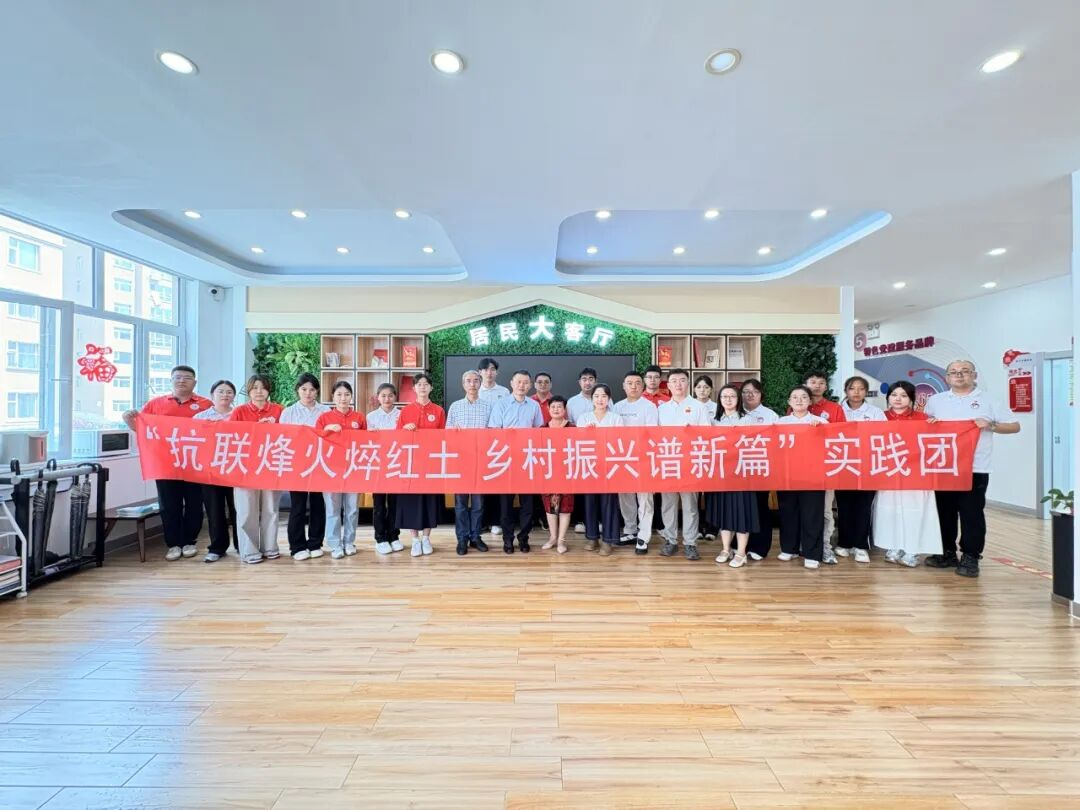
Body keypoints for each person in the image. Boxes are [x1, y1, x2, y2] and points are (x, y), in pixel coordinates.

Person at [924, 359, 1019, 577]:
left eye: (965, 371)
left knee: (971, 513)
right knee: (943, 512)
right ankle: (946, 552)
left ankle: (971, 556)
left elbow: (1014, 426)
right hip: (944, 466)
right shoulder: (936, 401)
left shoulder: (989, 400)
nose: (959, 375)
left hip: (975, 467)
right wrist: (929, 425)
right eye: (954, 372)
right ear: (947, 377)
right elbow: (924, 427)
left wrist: (990, 425)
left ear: (974, 375)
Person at [122, 364, 211, 561]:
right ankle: (173, 544)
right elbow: (145, 431)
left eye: (187, 378)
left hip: (195, 463)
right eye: (177, 377)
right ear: (171, 381)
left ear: (194, 382)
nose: (182, 381)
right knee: (169, 504)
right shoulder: (156, 405)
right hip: (165, 463)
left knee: (195, 504)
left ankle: (189, 541)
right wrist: (129, 421)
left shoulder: (206, 404)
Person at [873, 381, 942, 567]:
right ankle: (893, 545)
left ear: (911, 399)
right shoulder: (880, 417)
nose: (898, 399)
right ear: (888, 398)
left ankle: (913, 550)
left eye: (903, 395)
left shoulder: (923, 418)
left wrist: (935, 427)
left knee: (915, 510)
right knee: (890, 510)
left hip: (916, 473)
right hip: (889, 471)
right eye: (894, 395)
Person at [487, 369, 545, 553]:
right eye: (519, 382)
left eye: (526, 382)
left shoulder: (534, 406)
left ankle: (524, 538)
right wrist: (506, 435)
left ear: (530, 385)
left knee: (528, 505)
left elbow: (539, 432)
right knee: (506, 505)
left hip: (527, 460)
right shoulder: (501, 404)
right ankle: (507, 539)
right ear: (512, 383)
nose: (522, 385)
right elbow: (493, 431)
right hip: (506, 461)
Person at [229, 375, 284, 564]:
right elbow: (230, 437)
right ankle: (249, 550)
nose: (259, 392)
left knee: (271, 509)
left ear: (269, 390)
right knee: (246, 510)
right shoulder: (239, 411)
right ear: (249, 391)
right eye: (255, 388)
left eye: (263, 387)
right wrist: (255, 429)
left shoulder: (279, 410)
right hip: (245, 467)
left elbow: (288, 435)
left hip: (271, 465)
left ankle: (270, 547)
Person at [657, 368, 711, 560]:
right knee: (668, 504)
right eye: (674, 381)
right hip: (668, 462)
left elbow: (707, 434)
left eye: (682, 380)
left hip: (690, 463)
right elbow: (655, 436)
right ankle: (670, 540)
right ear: (668, 385)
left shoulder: (698, 406)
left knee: (690, 506)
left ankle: (690, 543)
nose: (678, 384)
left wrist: (693, 432)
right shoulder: (662, 408)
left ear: (688, 383)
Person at [835, 375, 886, 563]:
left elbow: (884, 436)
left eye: (861, 389)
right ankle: (844, 543)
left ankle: (861, 545)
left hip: (867, 466)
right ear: (845, 391)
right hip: (843, 464)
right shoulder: (837, 411)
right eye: (852, 388)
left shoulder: (875, 412)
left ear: (866, 392)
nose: (856, 392)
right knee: (844, 506)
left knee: (864, 506)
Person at [279, 373, 329, 561]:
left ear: (317, 391)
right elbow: (283, 438)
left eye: (312, 389)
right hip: (297, 465)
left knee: (318, 505)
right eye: (304, 389)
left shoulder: (325, 411)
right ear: (297, 390)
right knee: (298, 506)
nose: (308, 393)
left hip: (319, 463)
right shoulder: (288, 412)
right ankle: (297, 546)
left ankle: (315, 543)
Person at [777, 385, 826, 569]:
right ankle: (789, 548)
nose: (799, 400)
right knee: (788, 512)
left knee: (812, 514)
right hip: (787, 474)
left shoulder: (820, 422)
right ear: (789, 401)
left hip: (813, 476)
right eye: (795, 397)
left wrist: (820, 430)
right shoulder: (781, 423)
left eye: (804, 397)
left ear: (810, 401)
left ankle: (811, 553)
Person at [709, 384, 759, 568]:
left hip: (742, 473)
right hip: (722, 474)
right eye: (724, 396)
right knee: (724, 513)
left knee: (742, 512)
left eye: (732, 396)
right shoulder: (713, 421)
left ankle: (741, 552)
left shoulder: (748, 420)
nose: (728, 400)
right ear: (719, 400)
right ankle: (725, 549)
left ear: (738, 400)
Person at [396, 373, 445, 556]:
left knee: (429, 500)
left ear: (431, 387)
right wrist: (404, 430)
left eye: (426, 384)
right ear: (414, 388)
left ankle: (426, 538)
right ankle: (415, 539)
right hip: (411, 463)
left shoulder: (438, 411)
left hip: (431, 463)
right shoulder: (405, 411)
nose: (423, 387)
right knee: (412, 501)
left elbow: (443, 437)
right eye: (419, 384)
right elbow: (397, 437)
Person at [316, 381, 366, 559]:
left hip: (353, 469)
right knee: (332, 509)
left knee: (352, 509)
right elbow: (315, 440)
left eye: (346, 394)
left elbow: (366, 443)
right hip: (331, 470)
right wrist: (327, 429)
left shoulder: (359, 417)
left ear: (351, 396)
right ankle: (335, 544)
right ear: (333, 397)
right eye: (339, 394)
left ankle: (349, 542)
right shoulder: (324, 418)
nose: (343, 398)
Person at [446, 370, 493, 556]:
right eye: (468, 381)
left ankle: (475, 537)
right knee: (460, 504)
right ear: (463, 384)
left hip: (481, 461)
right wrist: (453, 432)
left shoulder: (488, 406)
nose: (472, 384)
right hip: (461, 461)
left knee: (479, 503)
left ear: (480, 383)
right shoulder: (455, 406)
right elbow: (447, 434)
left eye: (475, 381)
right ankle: (462, 538)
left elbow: (493, 432)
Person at [576, 384, 625, 556]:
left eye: (604, 396)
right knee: (590, 502)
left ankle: (608, 540)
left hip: (609, 465)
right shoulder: (584, 418)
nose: (600, 399)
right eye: (596, 396)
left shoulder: (615, 418)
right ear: (592, 399)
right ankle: (592, 537)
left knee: (608, 503)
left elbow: (620, 441)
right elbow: (577, 442)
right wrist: (587, 433)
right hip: (590, 464)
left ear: (609, 399)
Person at [803, 371, 846, 565]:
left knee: (826, 510)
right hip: (802, 468)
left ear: (826, 387)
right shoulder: (797, 406)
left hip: (826, 467)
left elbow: (843, 436)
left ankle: (826, 547)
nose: (817, 386)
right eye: (813, 382)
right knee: (806, 510)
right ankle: (807, 545)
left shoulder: (834, 409)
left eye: (821, 383)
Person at [613, 370, 658, 554]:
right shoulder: (617, 407)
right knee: (625, 496)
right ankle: (630, 530)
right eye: (629, 383)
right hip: (623, 458)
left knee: (645, 498)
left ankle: (643, 536)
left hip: (643, 458)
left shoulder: (649, 407)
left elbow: (652, 434)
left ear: (642, 386)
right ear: (623, 386)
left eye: (638, 383)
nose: (633, 386)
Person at [194, 379, 238, 563]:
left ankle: (242, 545)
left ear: (234, 396)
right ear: (212, 395)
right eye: (220, 391)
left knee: (238, 509)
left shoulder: (240, 415)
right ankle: (217, 548)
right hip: (210, 470)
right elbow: (193, 441)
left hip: (236, 468)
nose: (225, 395)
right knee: (214, 509)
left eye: (229, 392)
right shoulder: (200, 417)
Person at [740, 379, 778, 561]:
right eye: (746, 391)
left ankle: (760, 546)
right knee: (741, 507)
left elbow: (777, 442)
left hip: (760, 468)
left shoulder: (770, 415)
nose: (750, 395)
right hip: (738, 469)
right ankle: (740, 546)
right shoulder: (735, 413)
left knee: (760, 506)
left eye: (754, 392)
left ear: (761, 394)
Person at [367, 383, 404, 555]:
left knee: (395, 503)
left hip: (396, 464)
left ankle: (394, 536)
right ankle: (380, 538)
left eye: (390, 395)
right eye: (383, 395)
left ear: (395, 396)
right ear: (378, 397)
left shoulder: (402, 415)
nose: (387, 399)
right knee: (379, 504)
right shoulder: (371, 417)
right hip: (378, 465)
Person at [540, 396, 574, 554]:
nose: (556, 409)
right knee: (550, 507)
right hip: (548, 473)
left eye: (559, 407)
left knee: (565, 507)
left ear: (564, 409)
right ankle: (552, 537)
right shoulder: (542, 429)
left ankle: (561, 540)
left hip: (567, 472)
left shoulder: (572, 428)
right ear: (548, 409)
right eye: (553, 407)